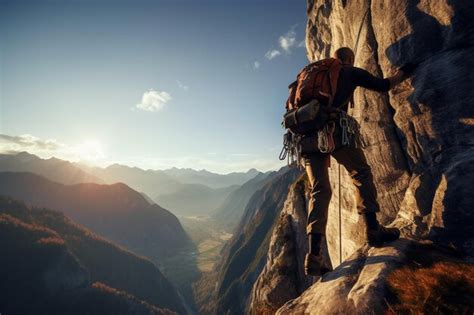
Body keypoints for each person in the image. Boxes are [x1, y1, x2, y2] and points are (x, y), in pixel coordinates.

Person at [303, 47, 413, 276]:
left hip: (305, 137)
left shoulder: (312, 75)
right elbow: (383, 86)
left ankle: (313, 257)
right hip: (333, 132)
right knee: (360, 172)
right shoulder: (350, 71)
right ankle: (373, 230)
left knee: (319, 190)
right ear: (349, 59)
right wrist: (404, 72)